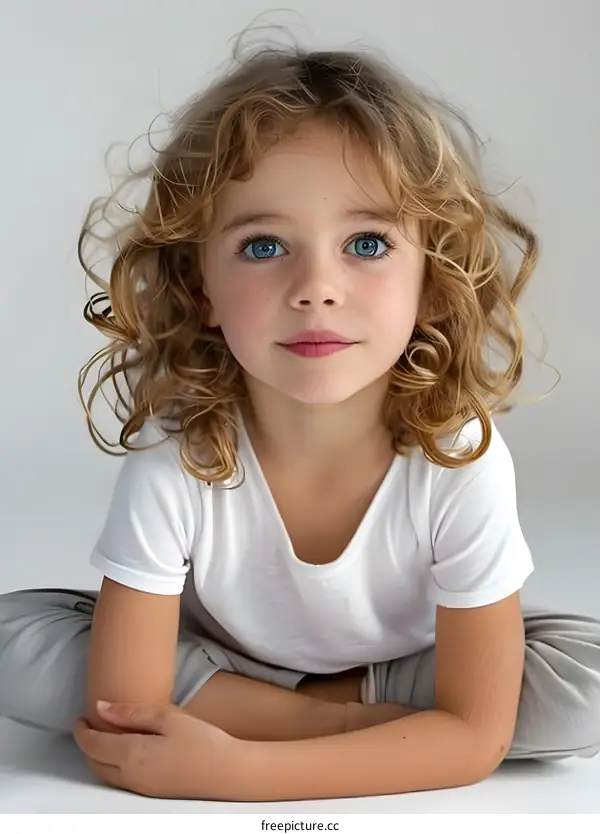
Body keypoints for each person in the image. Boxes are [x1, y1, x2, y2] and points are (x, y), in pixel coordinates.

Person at [1, 42, 599, 803]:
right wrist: (388, 740)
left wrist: (240, 769)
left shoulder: (459, 457)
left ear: (432, 277)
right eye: (263, 245)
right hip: (216, 653)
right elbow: (130, 706)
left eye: (367, 244)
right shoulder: (180, 457)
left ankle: (287, 711)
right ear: (201, 287)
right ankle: (371, 725)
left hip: (390, 663)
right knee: (13, 646)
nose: (316, 287)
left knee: (584, 686)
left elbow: (480, 736)